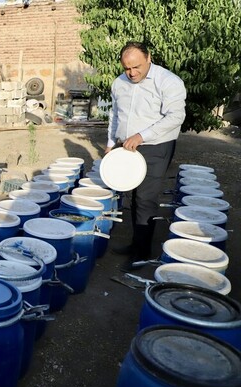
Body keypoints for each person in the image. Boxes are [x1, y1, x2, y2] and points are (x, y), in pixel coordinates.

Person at [106, 41, 186, 270]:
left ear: (149, 57)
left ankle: (142, 252)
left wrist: (142, 136)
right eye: (127, 68)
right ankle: (135, 244)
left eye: (137, 67)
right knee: (133, 195)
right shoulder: (119, 83)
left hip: (156, 146)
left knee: (146, 199)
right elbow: (115, 114)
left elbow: (175, 117)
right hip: (126, 146)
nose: (131, 73)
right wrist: (111, 142)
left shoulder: (168, 82)